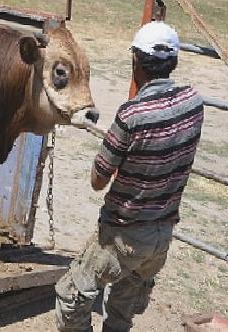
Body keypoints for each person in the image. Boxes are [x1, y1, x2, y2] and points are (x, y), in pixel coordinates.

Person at [54, 21, 204, 332]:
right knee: (123, 306)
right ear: (173, 62)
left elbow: (98, 180)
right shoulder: (194, 102)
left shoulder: (131, 115)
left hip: (125, 237)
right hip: (162, 235)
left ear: (136, 60)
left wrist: (113, 143)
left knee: (72, 294)